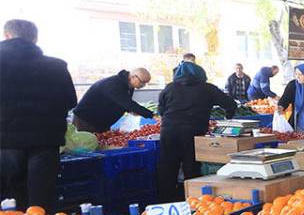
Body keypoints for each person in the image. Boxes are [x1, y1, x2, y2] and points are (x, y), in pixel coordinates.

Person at [0, 19, 77, 211]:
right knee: (42, 199)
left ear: (7, 35)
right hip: (46, 142)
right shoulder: (57, 66)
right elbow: (71, 102)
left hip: (5, 142)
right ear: (35, 39)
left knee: (10, 200)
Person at [157, 61, 237, 201]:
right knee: (191, 165)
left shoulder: (169, 88)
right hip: (193, 132)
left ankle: (166, 200)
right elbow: (230, 104)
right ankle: (193, 200)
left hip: (169, 131)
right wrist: (228, 117)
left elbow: (161, 110)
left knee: (168, 165)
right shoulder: (208, 89)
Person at [73, 68, 154, 132]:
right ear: (133, 76)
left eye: (146, 83)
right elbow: (127, 103)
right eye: (142, 82)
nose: (143, 85)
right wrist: (152, 115)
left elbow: (122, 103)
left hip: (100, 121)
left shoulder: (128, 86)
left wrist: (132, 111)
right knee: (86, 146)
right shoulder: (114, 84)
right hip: (85, 120)